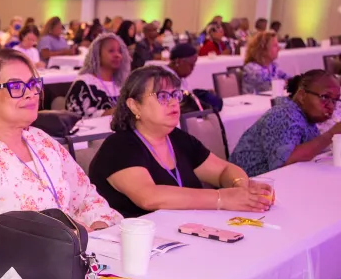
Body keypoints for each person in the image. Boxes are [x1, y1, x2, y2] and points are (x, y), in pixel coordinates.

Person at [0, 49, 121, 276]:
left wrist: (98, 228)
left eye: (33, 84)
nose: (30, 94)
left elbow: (87, 198)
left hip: (70, 270)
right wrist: (65, 243)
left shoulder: (42, 141)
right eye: (16, 87)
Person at [87, 66, 270, 218]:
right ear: (134, 106)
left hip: (188, 232)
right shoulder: (119, 146)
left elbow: (223, 170)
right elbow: (149, 197)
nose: (174, 102)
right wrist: (222, 198)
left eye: (176, 95)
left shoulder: (177, 138)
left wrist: (240, 186)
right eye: (162, 96)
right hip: (141, 243)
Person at [230, 70, 341, 176]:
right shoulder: (283, 114)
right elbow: (284, 162)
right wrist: (331, 134)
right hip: (244, 183)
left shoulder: (307, 116)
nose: (331, 106)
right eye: (325, 97)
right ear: (302, 95)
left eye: (335, 100)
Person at [65, 32, 130, 118]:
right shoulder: (83, 84)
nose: (117, 55)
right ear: (97, 54)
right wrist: (108, 113)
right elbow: (73, 119)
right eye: (111, 51)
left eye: (120, 51)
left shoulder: (123, 84)